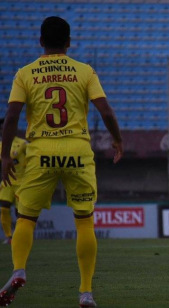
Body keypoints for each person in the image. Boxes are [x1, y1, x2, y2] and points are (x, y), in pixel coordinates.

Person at [0, 16, 123, 307]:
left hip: (41, 151)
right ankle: (85, 292)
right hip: (78, 150)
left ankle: (19, 269)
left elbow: (12, 117)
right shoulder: (84, 70)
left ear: (40, 41)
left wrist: (5, 155)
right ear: (69, 42)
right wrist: (117, 139)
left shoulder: (25, 73)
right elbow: (105, 111)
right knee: (84, 221)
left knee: (27, 219)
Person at [0, 118, 28, 245]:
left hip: (21, 182)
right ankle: (9, 237)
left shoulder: (22, 144)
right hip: (7, 183)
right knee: (4, 209)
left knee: (20, 213)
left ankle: (19, 236)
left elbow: (31, 160)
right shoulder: (1, 145)